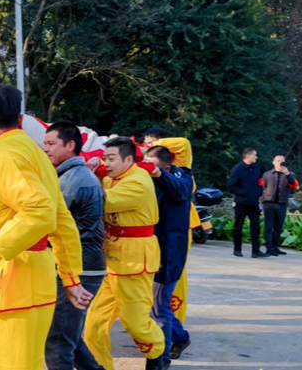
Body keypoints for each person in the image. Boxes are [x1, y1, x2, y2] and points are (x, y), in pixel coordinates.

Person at [0, 85, 91, 370]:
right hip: (13, 274)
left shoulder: (6, 154)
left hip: (15, 275)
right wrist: (70, 276)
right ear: (21, 120)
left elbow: (41, 212)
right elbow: (61, 220)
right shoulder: (34, 153)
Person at [85, 136, 166, 370]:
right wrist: (93, 165)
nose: (106, 163)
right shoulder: (114, 177)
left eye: (111, 159)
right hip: (110, 260)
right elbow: (100, 173)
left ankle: (157, 354)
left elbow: (100, 201)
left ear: (129, 159)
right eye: (104, 158)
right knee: (93, 326)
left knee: (135, 323)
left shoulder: (138, 182)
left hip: (133, 261)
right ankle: (100, 366)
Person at [42, 121, 106, 370]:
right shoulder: (74, 175)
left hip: (80, 268)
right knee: (68, 336)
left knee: (58, 342)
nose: (46, 148)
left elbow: (47, 222)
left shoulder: (71, 180)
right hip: (84, 264)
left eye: (51, 143)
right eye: (45, 143)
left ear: (70, 145)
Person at [143, 128, 196, 359]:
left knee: (159, 306)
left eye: (151, 166)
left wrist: (156, 172)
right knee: (154, 305)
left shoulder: (182, 178)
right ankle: (180, 337)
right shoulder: (148, 180)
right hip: (148, 251)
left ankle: (161, 357)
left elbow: (177, 190)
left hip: (169, 253)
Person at [227, 148, 268, 258]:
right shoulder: (237, 169)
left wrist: (259, 191)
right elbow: (231, 186)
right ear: (248, 156)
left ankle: (256, 251)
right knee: (238, 225)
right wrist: (243, 192)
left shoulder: (256, 167)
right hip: (241, 202)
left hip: (253, 202)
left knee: (255, 225)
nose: (256, 157)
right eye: (254, 155)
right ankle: (237, 249)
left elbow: (259, 181)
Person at [262, 155, 298, 256]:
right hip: (269, 203)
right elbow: (262, 187)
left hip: (281, 203)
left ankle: (275, 246)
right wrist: (262, 200)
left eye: (282, 161)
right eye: (278, 161)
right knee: (268, 226)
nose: (280, 163)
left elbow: (294, 185)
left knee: (278, 227)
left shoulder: (290, 174)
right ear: (273, 162)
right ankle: (269, 248)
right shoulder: (267, 174)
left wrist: (287, 174)